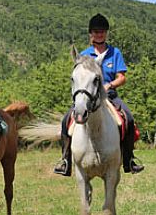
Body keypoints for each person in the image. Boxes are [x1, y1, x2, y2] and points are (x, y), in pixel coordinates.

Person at [53, 13, 144, 176]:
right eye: (96, 31)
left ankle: (129, 158)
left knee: (128, 118)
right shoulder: (84, 54)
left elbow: (122, 77)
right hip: (88, 97)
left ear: (106, 33)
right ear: (91, 33)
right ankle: (65, 160)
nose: (99, 34)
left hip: (110, 95)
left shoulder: (114, 53)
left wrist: (109, 84)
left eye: (102, 31)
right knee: (66, 120)